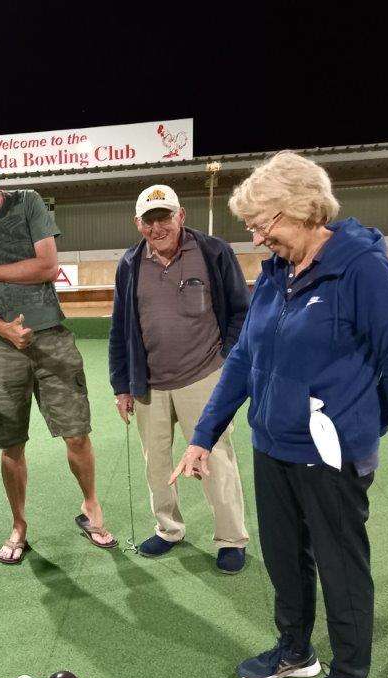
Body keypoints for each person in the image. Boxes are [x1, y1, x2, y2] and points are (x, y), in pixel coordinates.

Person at [172, 151, 388, 678]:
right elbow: (243, 358)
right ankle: (295, 651)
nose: (259, 238)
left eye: (266, 224)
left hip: (330, 455)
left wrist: (355, 427)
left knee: (340, 568)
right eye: (254, 228)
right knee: (285, 559)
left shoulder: (362, 268)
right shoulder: (277, 274)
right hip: (273, 446)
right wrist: (204, 434)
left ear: (307, 210)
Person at [0, 143, 115, 564]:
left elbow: (47, 267)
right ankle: (19, 525)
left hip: (51, 335)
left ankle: (91, 506)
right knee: (11, 444)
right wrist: (4, 329)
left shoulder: (29, 203)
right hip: (0, 348)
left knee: (76, 433)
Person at [108, 184, 250, 572]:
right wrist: (121, 384)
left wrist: (228, 360)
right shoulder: (130, 263)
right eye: (150, 220)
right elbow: (120, 329)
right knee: (156, 464)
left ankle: (231, 538)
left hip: (204, 376)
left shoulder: (214, 251)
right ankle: (169, 529)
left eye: (164, 217)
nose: (158, 227)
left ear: (180, 216)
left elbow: (241, 311)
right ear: (139, 224)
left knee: (216, 457)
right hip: (148, 384)